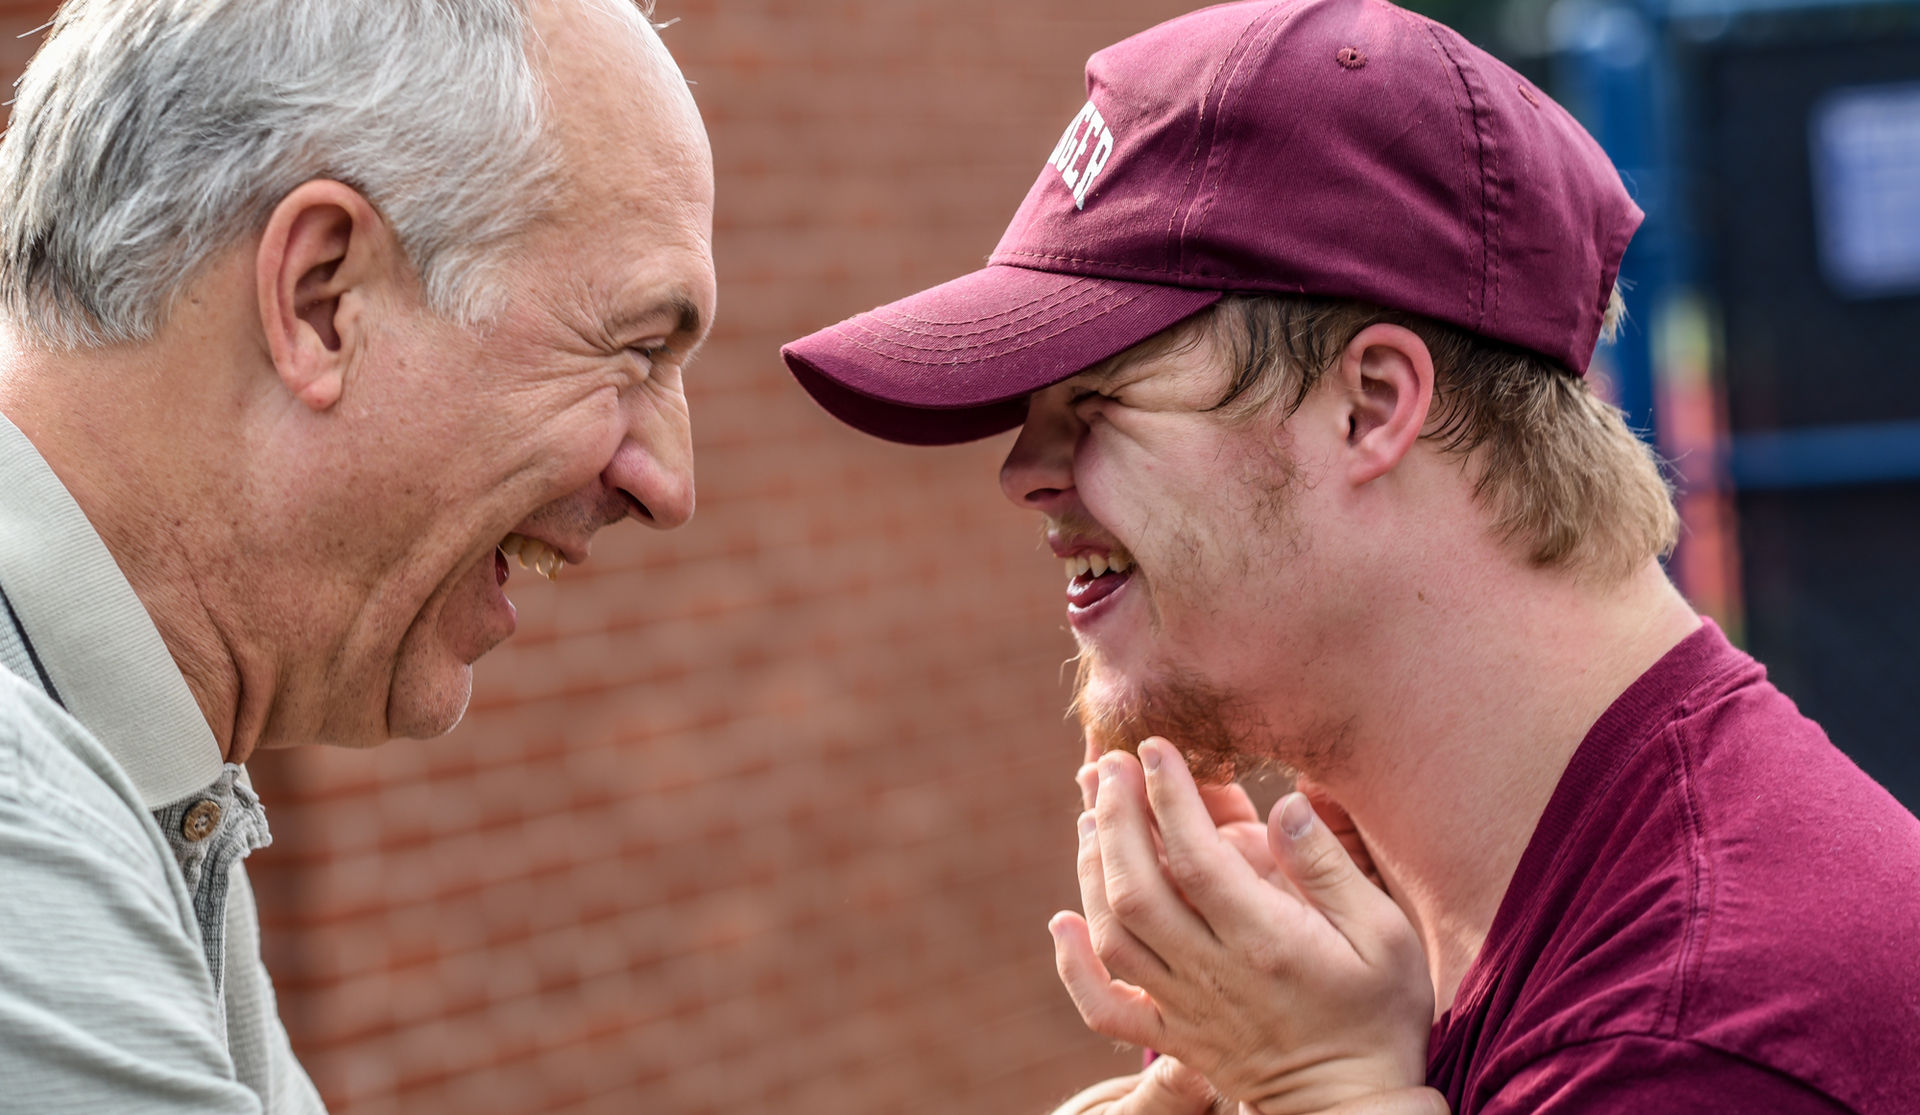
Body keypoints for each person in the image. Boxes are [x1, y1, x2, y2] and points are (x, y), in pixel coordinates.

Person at [781, 0, 1920, 1111]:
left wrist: (1316, 1091)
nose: (1023, 472)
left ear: (1370, 405)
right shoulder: (1451, 934)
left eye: (1096, 399)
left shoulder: (1697, 1041)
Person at [0, 0, 714, 1110]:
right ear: (321, 298)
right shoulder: (25, 824)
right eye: (634, 350)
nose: (668, 484)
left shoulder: (138, 779)